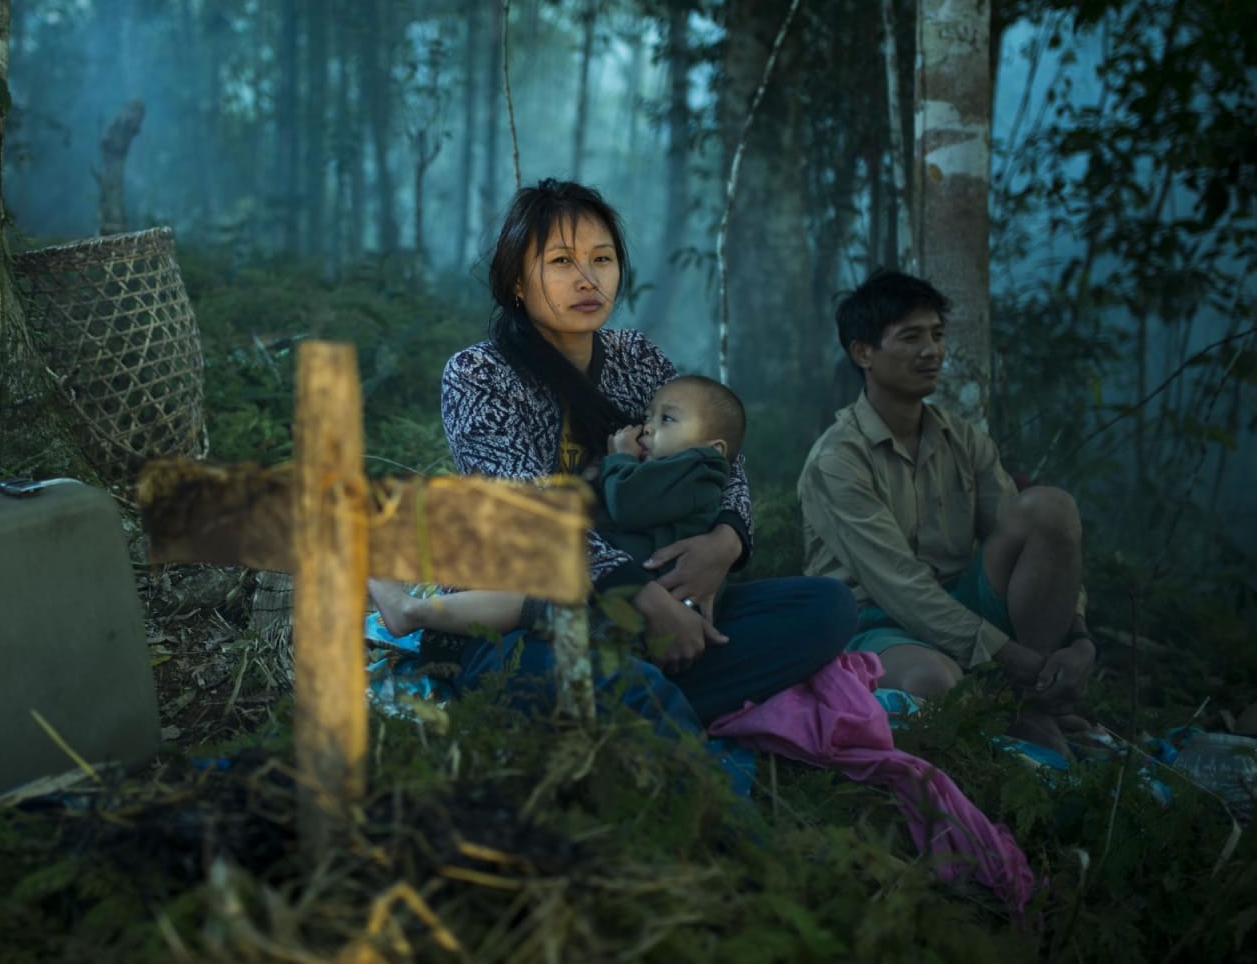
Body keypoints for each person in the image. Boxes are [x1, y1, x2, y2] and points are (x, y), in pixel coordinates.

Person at [423, 177, 855, 732]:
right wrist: (646, 597)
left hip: (652, 611)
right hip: (523, 620)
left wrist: (724, 542)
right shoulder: (479, 374)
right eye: (560, 261)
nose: (586, 279)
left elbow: (723, 454)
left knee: (826, 608)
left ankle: (634, 698)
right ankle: (649, 705)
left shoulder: (638, 358)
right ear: (515, 284)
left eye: (601, 259)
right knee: (601, 678)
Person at [797, 270, 1093, 750]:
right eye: (911, 337)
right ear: (863, 353)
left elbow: (1018, 539)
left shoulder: (962, 439)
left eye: (936, 335)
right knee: (932, 685)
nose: (931, 350)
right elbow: (900, 588)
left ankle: (1032, 704)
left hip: (964, 603)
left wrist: (1080, 638)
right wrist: (1012, 657)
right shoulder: (837, 461)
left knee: (1050, 509)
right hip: (876, 622)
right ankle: (1014, 694)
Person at [372, 374, 745, 640]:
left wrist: (620, 459)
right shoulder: (674, 471)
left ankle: (411, 612)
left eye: (666, 419)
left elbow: (628, 504)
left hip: (632, 608)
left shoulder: (698, 469)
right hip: (623, 591)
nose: (646, 427)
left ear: (715, 450)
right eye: (649, 415)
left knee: (529, 603)